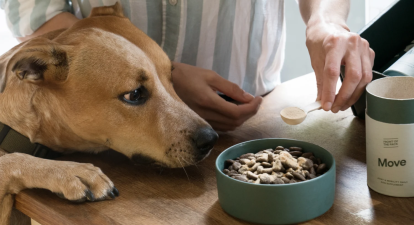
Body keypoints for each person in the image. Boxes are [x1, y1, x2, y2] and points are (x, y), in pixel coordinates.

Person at [1, 0, 374, 131]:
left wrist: (326, 21)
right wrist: (165, 80)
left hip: (249, 118)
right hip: (102, 136)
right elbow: (39, 12)